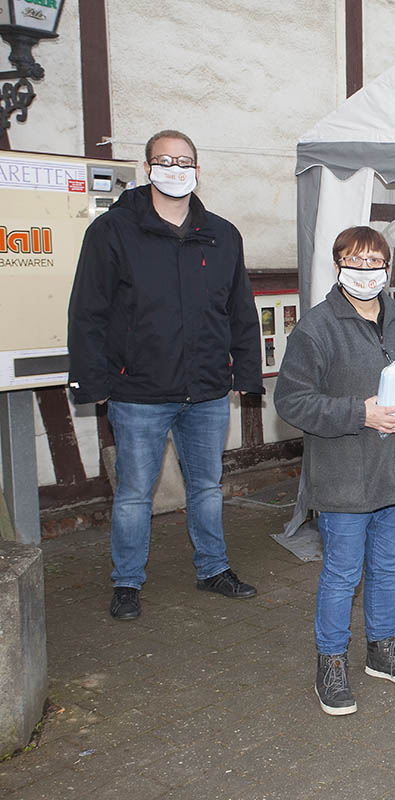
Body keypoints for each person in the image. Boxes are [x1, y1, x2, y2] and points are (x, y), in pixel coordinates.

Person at [67, 129, 263, 621]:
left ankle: (214, 568)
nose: (176, 168)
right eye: (165, 160)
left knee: (206, 487)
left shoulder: (222, 234)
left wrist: (247, 372)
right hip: (138, 392)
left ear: (198, 169)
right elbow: (87, 311)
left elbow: (240, 310)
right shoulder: (112, 231)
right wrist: (93, 384)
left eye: (186, 161)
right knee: (134, 493)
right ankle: (127, 581)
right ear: (148, 166)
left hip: (207, 391)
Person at [274, 225, 395, 716]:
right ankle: (331, 662)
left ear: (386, 269)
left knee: (389, 565)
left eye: (375, 263)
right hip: (345, 475)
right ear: (339, 266)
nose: (366, 272)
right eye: (356, 262)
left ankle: (382, 649)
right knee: (342, 573)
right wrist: (359, 413)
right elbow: (290, 400)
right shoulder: (316, 327)